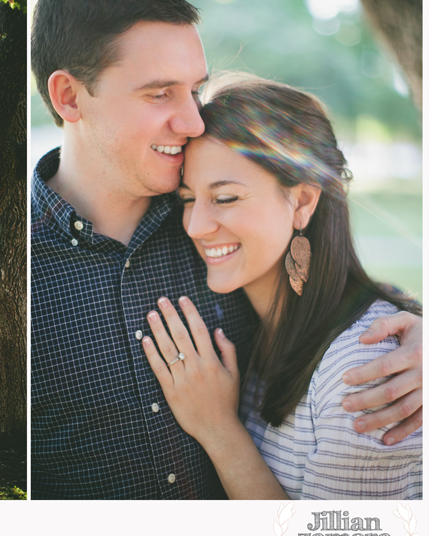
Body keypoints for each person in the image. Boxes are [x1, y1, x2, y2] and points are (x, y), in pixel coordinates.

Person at [30, 0, 423, 499]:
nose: (193, 120)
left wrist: (410, 330)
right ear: (69, 96)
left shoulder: (214, 233)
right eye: (159, 93)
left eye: (195, 88)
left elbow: (326, 289)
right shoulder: (11, 272)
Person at [142, 74, 422, 499]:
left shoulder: (364, 374)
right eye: (187, 199)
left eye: (226, 198)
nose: (196, 226)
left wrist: (218, 429)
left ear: (303, 201)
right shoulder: (261, 327)